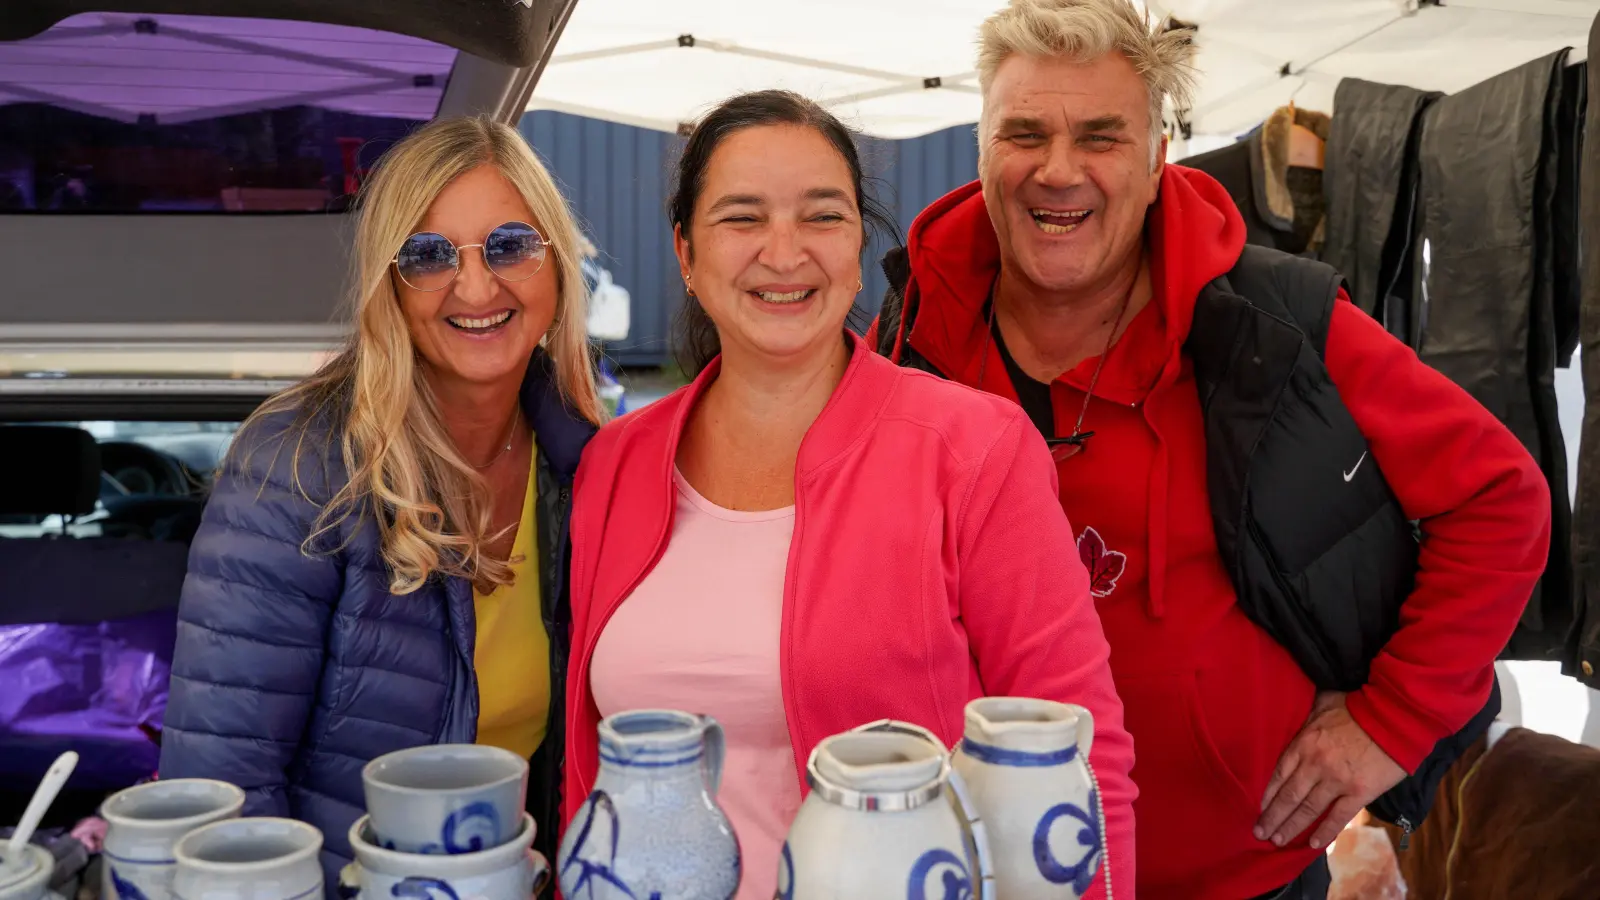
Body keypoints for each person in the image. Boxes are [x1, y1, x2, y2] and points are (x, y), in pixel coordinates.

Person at [869, 1, 1552, 898]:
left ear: (1157, 160)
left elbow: (1500, 499)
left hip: (1236, 875)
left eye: (1102, 137)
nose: (1058, 170)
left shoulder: (1275, 325)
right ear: (983, 150)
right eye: (1023, 132)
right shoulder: (912, 329)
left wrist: (1393, 721)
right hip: (980, 865)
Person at [562, 90, 1136, 899]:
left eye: (822, 215)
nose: (785, 251)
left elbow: (1078, 756)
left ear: (859, 245)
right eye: (742, 217)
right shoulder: (613, 465)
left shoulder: (973, 452)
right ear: (686, 254)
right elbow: (588, 772)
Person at [159, 116, 603, 891]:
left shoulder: (588, 463)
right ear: (389, 283)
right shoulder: (297, 465)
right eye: (428, 256)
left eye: (510, 245)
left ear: (558, 263)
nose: (476, 286)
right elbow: (220, 800)